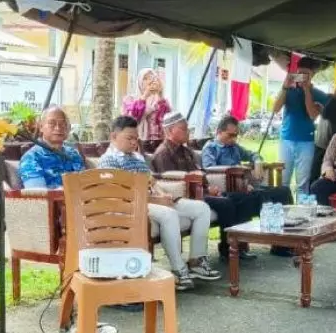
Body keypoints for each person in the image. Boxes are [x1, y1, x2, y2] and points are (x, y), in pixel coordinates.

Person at [99, 116, 220, 290]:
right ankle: (179, 270)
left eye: (136, 138)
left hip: (153, 200)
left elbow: (152, 182)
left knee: (201, 208)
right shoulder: (109, 161)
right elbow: (121, 195)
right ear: (113, 137)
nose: (134, 143)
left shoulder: (136, 157)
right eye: (129, 138)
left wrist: (165, 195)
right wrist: (158, 200)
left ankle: (196, 261)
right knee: (168, 213)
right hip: (133, 205)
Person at [150, 112, 258, 260]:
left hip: (201, 192)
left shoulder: (186, 151)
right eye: (183, 129)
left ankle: (240, 246)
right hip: (187, 196)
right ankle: (228, 250)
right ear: (169, 131)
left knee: (240, 198)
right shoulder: (163, 153)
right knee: (226, 204)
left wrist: (208, 187)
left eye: (187, 128)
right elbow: (170, 181)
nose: (188, 131)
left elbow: (200, 172)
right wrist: (202, 189)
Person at [201, 115, 294, 256]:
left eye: (236, 135)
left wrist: (257, 162)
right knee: (255, 198)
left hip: (247, 188)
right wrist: (241, 182)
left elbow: (253, 154)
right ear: (219, 132)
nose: (234, 139)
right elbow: (210, 171)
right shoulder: (211, 148)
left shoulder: (235, 147)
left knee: (283, 191)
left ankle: (283, 243)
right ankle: (240, 245)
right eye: (230, 135)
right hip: (228, 191)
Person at [271, 57, 329, 199]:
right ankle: (282, 210)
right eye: (300, 72)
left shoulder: (318, 94)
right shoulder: (288, 90)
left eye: (306, 74)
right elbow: (275, 108)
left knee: (303, 183)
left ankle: (303, 213)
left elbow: (312, 115)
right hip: (286, 139)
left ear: (312, 75)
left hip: (306, 141)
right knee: (283, 181)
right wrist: (285, 86)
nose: (302, 76)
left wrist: (307, 91)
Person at [17, 107, 85, 189]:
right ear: (41, 127)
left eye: (62, 124)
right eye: (52, 123)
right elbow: (38, 195)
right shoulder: (31, 158)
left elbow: (86, 184)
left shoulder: (73, 154)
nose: (58, 128)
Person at [122, 68, 171, 142]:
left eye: (152, 78)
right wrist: (145, 95)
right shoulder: (130, 99)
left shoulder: (160, 100)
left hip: (158, 141)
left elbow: (167, 119)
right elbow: (131, 119)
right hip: (137, 141)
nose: (150, 81)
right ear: (140, 81)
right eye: (145, 78)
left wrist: (160, 94)